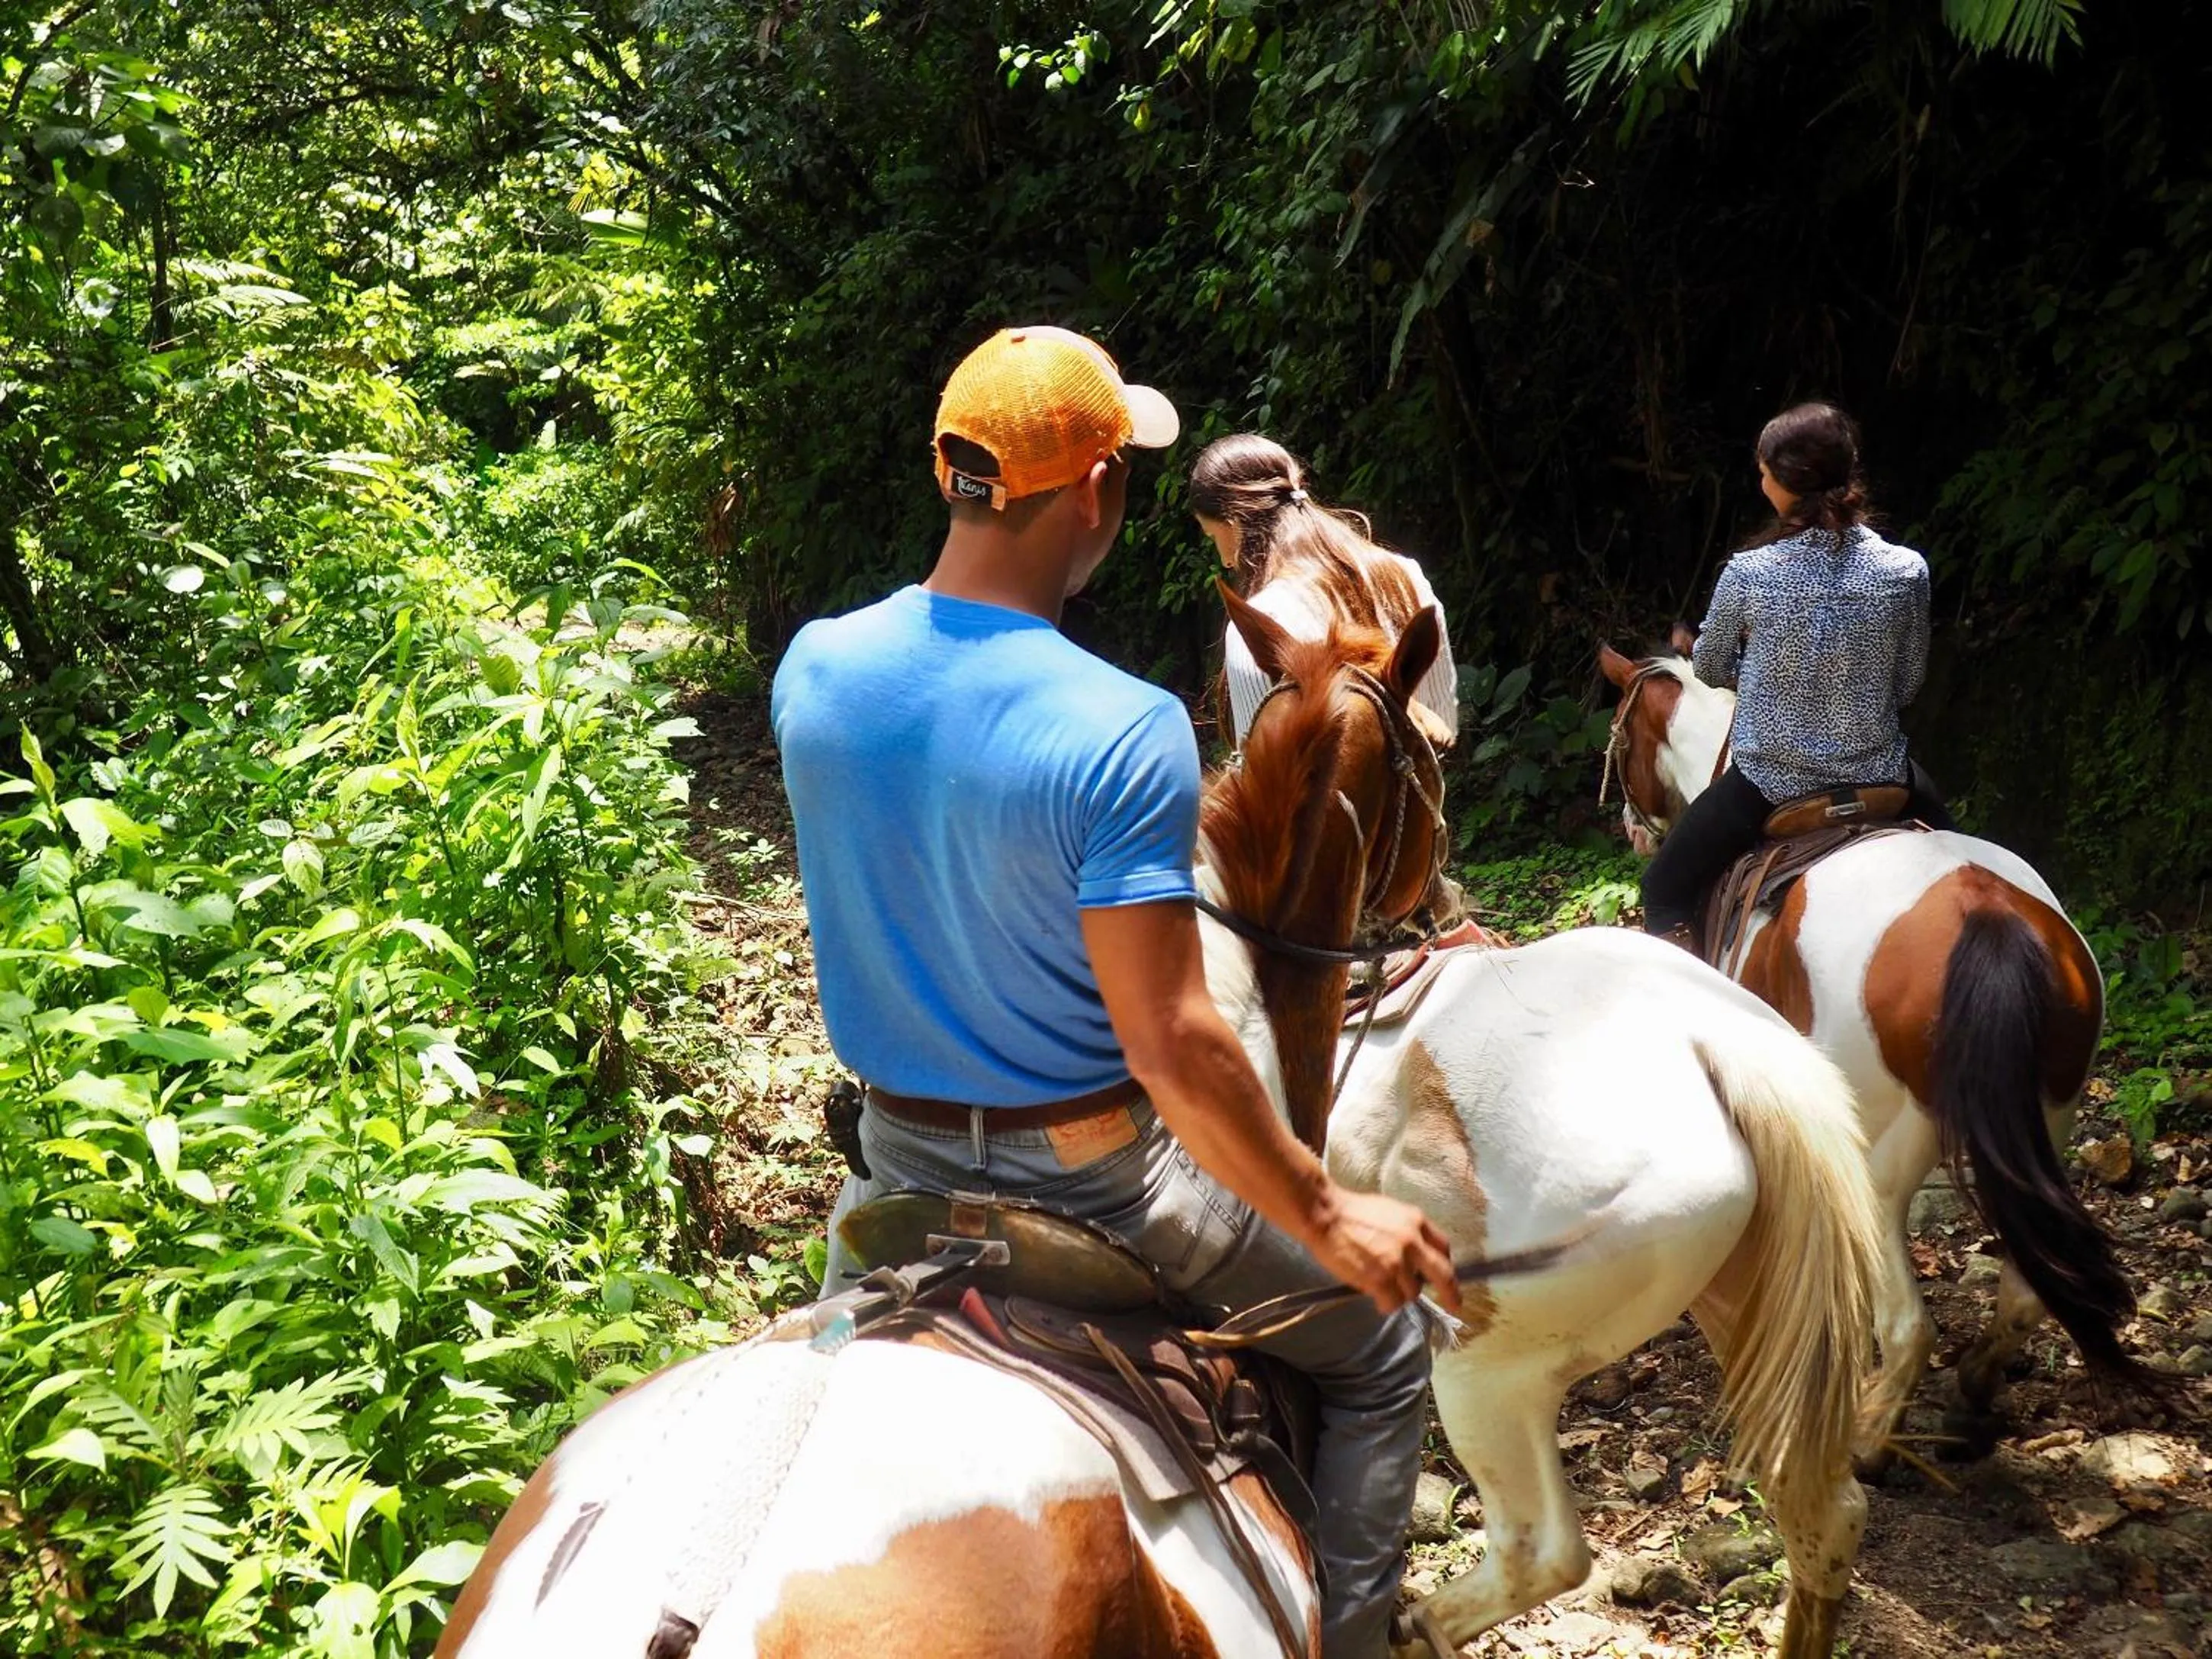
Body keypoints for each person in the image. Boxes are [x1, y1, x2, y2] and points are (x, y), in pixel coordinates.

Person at [771, 325, 1459, 1659]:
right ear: (1096, 496)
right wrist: (1333, 1215)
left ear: (948, 475)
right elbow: (1175, 1042)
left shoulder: (815, 671)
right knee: (1383, 1349)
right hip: (1099, 1188)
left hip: (890, 1168)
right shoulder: (1121, 722)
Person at [1641, 401, 1957, 947]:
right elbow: (1907, 686)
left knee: (1663, 887)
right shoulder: (1907, 570)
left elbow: (1712, 667)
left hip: (1772, 785)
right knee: (1963, 859)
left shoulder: (1749, 574)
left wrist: (1759, 671)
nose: (1760, 478)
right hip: (1883, 777)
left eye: (1763, 469)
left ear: (1785, 482)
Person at [1190, 433, 1458, 751]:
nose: (1225, 560)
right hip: (1423, 796)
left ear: (1234, 524)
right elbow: (1444, 729)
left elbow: (1263, 781)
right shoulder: (1406, 576)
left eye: (1213, 536)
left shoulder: (1262, 622)